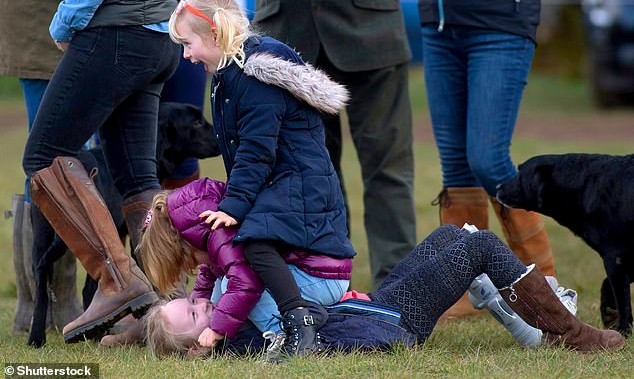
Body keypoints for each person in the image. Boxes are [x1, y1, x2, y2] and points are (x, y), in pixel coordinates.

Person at [163, 0, 356, 356]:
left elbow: (255, 150)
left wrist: (234, 205)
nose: (186, 55)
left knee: (252, 240)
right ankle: (290, 318)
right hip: (279, 179)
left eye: (188, 44)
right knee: (250, 245)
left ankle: (297, 324)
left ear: (215, 34)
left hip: (297, 179)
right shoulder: (227, 74)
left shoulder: (253, 77)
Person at [145, 225, 625, 357]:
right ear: (197, 348)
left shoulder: (231, 312)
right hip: (393, 322)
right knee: (479, 246)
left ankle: (525, 317)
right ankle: (569, 332)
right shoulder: (240, 338)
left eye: (187, 300)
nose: (198, 302)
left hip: (372, 304)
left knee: (447, 238)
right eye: (191, 315)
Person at [22, 0, 181, 343]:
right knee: (136, 178)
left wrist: (64, 21)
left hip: (116, 31)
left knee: (43, 157)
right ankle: (167, 313)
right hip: (157, 35)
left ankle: (117, 279)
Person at [235, 0, 418, 289]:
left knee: (387, 167)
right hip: (289, 39)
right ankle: (325, 283)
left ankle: (398, 290)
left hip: (371, 32)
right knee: (307, 174)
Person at [413, 0, 557, 319]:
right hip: (439, 22)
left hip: (501, 21)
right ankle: (465, 286)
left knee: (487, 158)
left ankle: (542, 286)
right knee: (457, 169)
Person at [139, 177, 351, 356]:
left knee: (230, 288)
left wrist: (217, 329)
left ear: (183, 247)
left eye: (192, 262)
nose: (198, 265)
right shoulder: (202, 219)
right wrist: (201, 296)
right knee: (224, 290)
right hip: (318, 268)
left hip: (322, 276)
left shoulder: (216, 227)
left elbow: (246, 282)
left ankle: (284, 334)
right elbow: (211, 268)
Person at [0, 0, 82, 333]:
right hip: (44, 35)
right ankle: (49, 303)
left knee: (49, 163)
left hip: (43, 29)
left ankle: (41, 304)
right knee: (50, 165)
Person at [159, 0, 226, 189]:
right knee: (122, 144)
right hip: (129, 25)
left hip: (179, 22)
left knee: (187, 138)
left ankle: (177, 222)